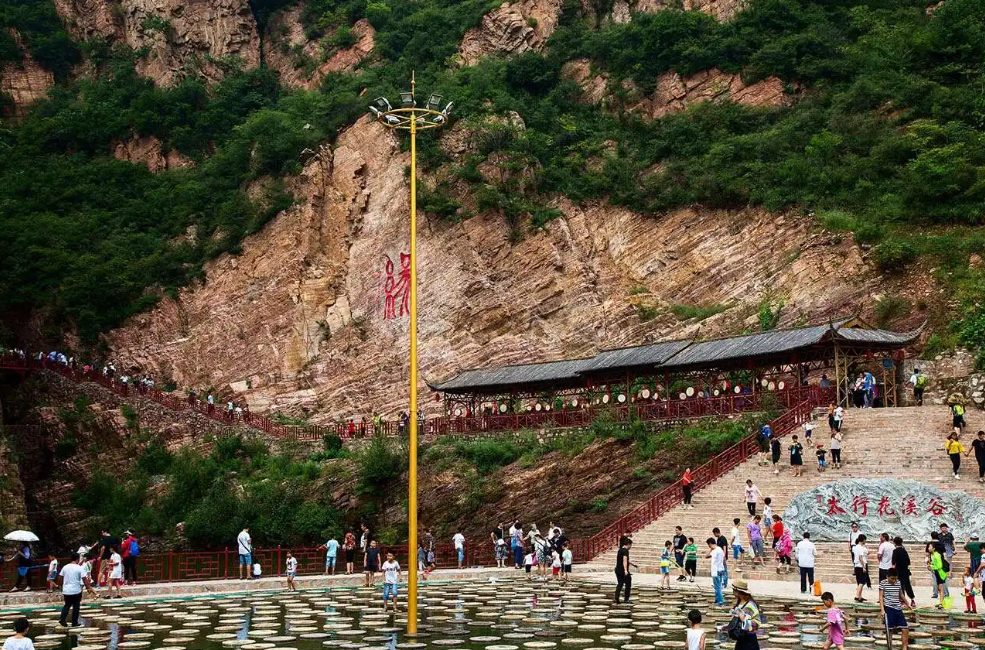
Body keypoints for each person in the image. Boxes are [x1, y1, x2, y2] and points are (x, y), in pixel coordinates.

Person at [58, 555, 95, 627]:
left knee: (67, 605)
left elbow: (60, 577)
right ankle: (74, 622)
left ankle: (62, 619)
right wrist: (88, 588)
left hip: (66, 590)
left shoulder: (65, 567)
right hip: (76, 590)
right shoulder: (79, 568)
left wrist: (60, 586)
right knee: (76, 606)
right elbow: (84, 579)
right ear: (77, 559)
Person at [880, 568, 911, 650]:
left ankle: (904, 647)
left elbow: (901, 594)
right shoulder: (883, 583)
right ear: (887, 576)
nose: (894, 580)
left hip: (898, 608)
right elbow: (881, 597)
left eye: (895, 578)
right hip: (888, 608)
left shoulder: (898, 582)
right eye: (892, 578)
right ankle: (889, 647)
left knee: (905, 628)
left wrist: (907, 603)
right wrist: (882, 610)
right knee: (890, 630)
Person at [730, 580, 762, 650]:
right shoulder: (738, 604)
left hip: (749, 641)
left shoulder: (751, 605)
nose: (732, 592)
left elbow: (757, 623)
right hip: (740, 639)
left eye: (734, 590)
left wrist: (744, 619)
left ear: (738, 591)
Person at [891, 537, 915, 606]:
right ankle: (912, 600)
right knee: (908, 586)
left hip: (898, 571)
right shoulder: (904, 550)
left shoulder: (895, 551)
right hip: (905, 571)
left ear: (894, 543)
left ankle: (903, 601)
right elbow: (908, 562)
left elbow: (893, 563)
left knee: (900, 586)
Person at [614, 537, 633, 604]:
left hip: (617, 570)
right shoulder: (625, 551)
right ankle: (626, 599)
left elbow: (623, 560)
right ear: (628, 544)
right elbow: (624, 560)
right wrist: (625, 570)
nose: (630, 547)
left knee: (620, 583)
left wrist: (632, 564)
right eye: (630, 545)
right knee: (628, 583)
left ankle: (616, 598)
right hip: (622, 570)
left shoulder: (620, 550)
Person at [928, 542, 948, 607]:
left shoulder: (936, 554)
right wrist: (930, 565)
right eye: (928, 547)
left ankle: (941, 603)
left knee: (941, 589)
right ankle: (941, 602)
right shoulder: (932, 555)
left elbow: (939, 566)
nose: (928, 548)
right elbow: (935, 564)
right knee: (939, 589)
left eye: (930, 547)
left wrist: (931, 566)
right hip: (937, 573)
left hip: (941, 573)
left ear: (933, 548)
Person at [708, 537, 726, 606]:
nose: (709, 547)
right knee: (718, 586)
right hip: (721, 569)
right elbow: (724, 558)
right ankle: (717, 600)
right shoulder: (720, 549)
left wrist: (710, 549)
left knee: (717, 587)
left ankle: (720, 601)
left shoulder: (715, 551)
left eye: (709, 545)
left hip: (716, 571)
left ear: (710, 544)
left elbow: (707, 556)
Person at [853, 534, 870, 602]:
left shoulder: (856, 547)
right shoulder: (860, 547)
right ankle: (857, 596)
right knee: (862, 582)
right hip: (860, 566)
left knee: (860, 582)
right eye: (865, 540)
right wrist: (864, 567)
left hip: (857, 566)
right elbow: (860, 558)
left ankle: (860, 596)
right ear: (863, 540)